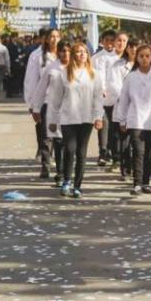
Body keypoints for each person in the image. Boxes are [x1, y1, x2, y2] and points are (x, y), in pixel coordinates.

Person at [48, 42, 104, 198]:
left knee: (81, 152)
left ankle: (77, 185)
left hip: (86, 118)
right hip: (68, 118)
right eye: (78, 52)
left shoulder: (94, 74)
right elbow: (56, 98)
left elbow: (98, 98)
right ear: (73, 55)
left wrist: (99, 117)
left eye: (84, 52)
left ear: (88, 55)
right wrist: (52, 119)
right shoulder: (64, 73)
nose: (81, 55)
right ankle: (67, 180)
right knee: (70, 150)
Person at [114, 44, 151, 195]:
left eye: (147, 56)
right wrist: (122, 119)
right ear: (137, 58)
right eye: (141, 56)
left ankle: (146, 182)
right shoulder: (131, 77)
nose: (144, 59)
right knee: (138, 151)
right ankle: (137, 183)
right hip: (136, 119)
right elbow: (124, 99)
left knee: (149, 153)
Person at [30, 40, 71, 187]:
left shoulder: (78, 66)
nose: (65, 54)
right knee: (59, 142)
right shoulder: (52, 68)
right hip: (54, 110)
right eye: (63, 51)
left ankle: (69, 173)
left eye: (68, 50)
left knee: (71, 145)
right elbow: (41, 89)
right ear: (58, 52)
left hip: (74, 111)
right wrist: (36, 108)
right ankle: (60, 174)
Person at [23, 28, 60, 175]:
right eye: (51, 36)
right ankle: (46, 164)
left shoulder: (66, 54)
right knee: (46, 135)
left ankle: (61, 165)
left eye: (57, 36)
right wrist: (32, 104)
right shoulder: (37, 56)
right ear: (46, 39)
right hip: (45, 100)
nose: (54, 39)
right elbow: (31, 80)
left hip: (64, 102)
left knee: (60, 136)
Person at [105, 37, 138, 180]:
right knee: (123, 140)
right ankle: (125, 169)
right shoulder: (118, 65)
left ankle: (137, 169)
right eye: (130, 46)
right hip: (123, 106)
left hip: (139, 109)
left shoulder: (144, 65)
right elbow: (113, 85)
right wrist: (127, 96)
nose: (133, 49)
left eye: (136, 47)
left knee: (136, 141)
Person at [91, 29, 119, 166]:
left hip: (115, 98)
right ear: (102, 41)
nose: (109, 43)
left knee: (114, 127)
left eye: (112, 40)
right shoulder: (95, 58)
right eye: (106, 40)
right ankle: (103, 152)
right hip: (101, 97)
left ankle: (114, 152)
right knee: (103, 125)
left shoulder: (119, 57)